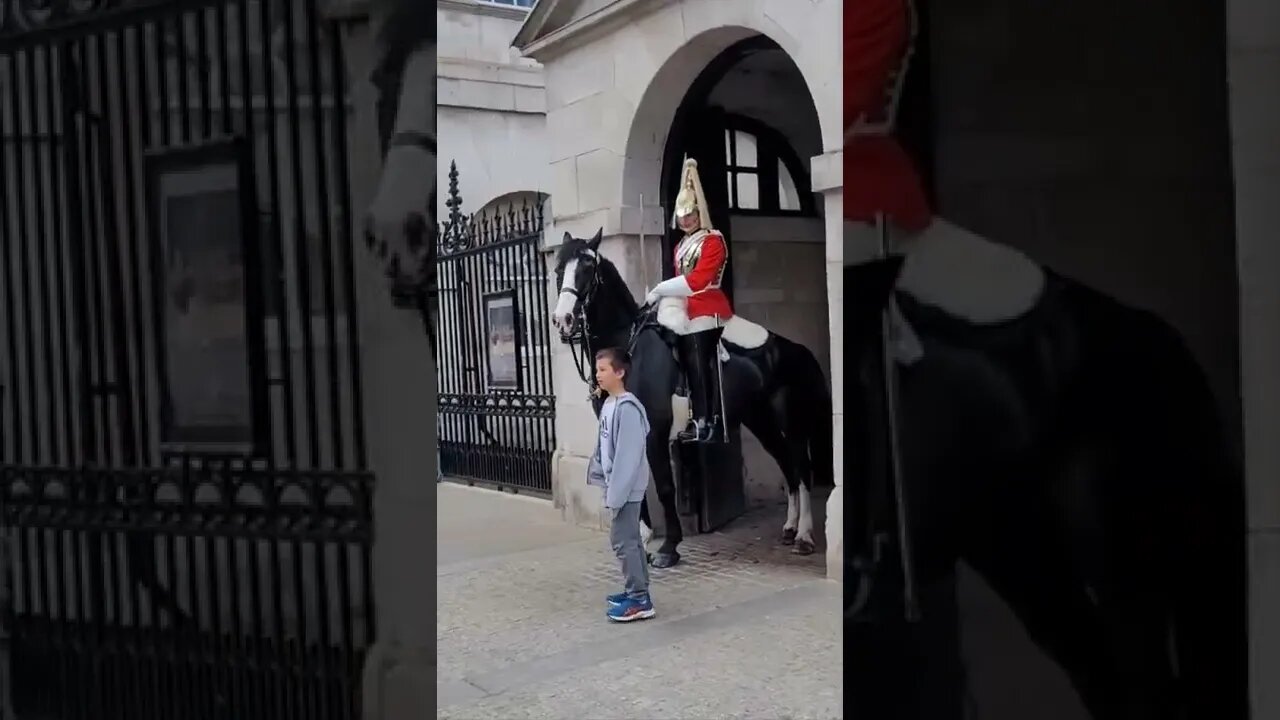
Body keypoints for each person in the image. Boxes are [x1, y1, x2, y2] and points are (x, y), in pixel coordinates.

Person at [644, 157, 732, 443]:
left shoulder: (713, 240)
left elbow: (698, 281)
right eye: (681, 215)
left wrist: (660, 289)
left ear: (699, 212)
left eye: (690, 214)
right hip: (685, 307)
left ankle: (706, 418)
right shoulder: (681, 245)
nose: (685, 219)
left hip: (709, 305)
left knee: (695, 352)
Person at [586, 347, 656, 622]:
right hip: (617, 486)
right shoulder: (609, 404)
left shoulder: (627, 409)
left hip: (625, 490)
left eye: (603, 370)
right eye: (597, 370)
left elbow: (627, 458)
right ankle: (637, 591)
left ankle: (639, 599)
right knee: (630, 540)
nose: (597, 375)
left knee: (622, 541)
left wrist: (615, 495)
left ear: (620, 372)